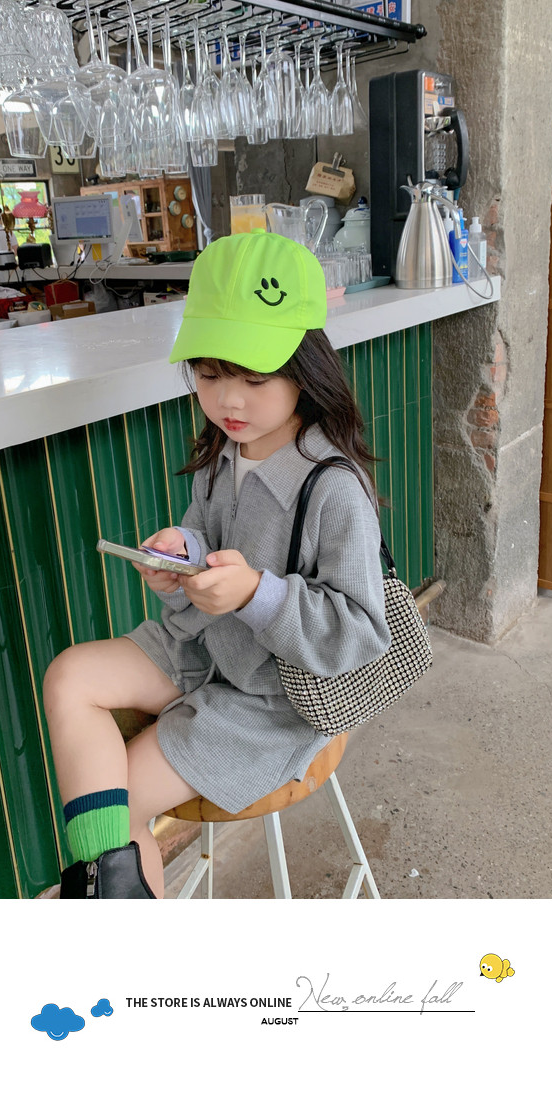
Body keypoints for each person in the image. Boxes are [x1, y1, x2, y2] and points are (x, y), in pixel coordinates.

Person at [43, 230, 391, 899]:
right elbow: (205, 552)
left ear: (305, 369)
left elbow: (359, 635)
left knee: (116, 808)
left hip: (271, 700)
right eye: (209, 374)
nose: (230, 400)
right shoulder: (223, 454)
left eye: (254, 378)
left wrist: (256, 593)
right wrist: (180, 561)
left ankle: (101, 907)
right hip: (201, 650)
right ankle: (105, 898)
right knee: (69, 677)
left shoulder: (334, 488)